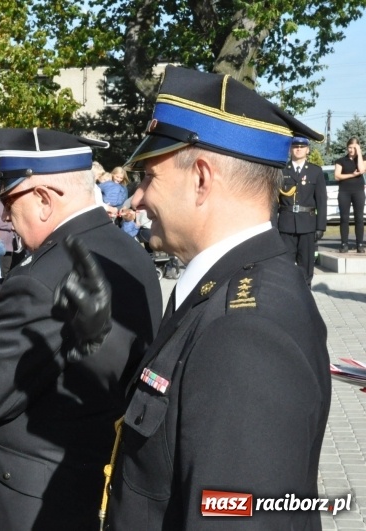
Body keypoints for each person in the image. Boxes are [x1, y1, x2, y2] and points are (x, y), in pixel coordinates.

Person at [0, 127, 162, 530]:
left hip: (39, 498)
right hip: (94, 472)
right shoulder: (125, 253)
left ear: (42, 199)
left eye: (9, 200)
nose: (4, 215)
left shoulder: (45, 273)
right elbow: (54, 321)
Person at [104, 65, 330, 530]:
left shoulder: (244, 333)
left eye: (148, 177)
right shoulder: (234, 290)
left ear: (202, 178)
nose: (138, 199)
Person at [278, 136, 327, 285]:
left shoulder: (315, 171)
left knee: (306, 263)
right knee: (284, 264)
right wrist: (273, 224)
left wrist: (320, 226)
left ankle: (306, 295)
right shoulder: (281, 170)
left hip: (307, 225)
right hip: (286, 225)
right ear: (290, 150)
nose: (298, 149)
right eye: (295, 147)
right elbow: (274, 201)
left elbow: (321, 200)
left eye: (301, 147)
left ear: (307, 150)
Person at [334, 137, 366, 253]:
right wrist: (352, 175)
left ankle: (360, 244)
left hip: (358, 191)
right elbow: (337, 176)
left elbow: (362, 169)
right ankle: (344, 243)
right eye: (350, 147)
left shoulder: (362, 159)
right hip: (344, 192)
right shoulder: (341, 160)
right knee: (344, 218)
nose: (351, 150)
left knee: (359, 218)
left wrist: (359, 153)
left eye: (354, 147)